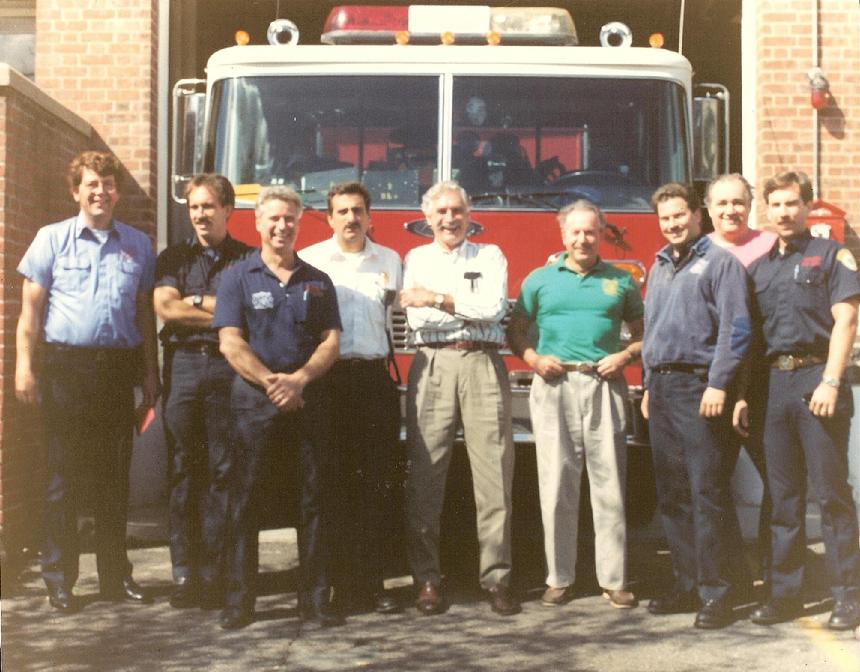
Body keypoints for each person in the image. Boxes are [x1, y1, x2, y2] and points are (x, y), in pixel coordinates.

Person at [15, 150, 158, 613]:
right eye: (91, 184)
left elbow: (143, 316)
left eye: (108, 184)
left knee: (114, 480)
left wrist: (151, 378)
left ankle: (116, 576)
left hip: (117, 371)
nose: (100, 192)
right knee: (63, 480)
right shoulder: (51, 240)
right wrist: (24, 367)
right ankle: (60, 578)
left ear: (117, 191)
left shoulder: (138, 245)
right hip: (65, 371)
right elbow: (29, 315)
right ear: (76, 191)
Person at [213, 185, 343, 630]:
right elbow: (230, 340)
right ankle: (239, 600)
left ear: (300, 222)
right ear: (257, 222)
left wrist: (300, 380)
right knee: (244, 500)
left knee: (314, 500)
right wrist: (271, 383)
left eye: (289, 218)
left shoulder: (317, 280)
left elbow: (331, 340)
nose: (281, 226)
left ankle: (315, 599)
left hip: (308, 402)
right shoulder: (236, 276)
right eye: (273, 218)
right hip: (254, 405)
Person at [507, 200, 643, 609]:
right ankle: (559, 577)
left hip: (604, 384)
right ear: (562, 235)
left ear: (601, 234)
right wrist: (533, 359)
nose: (583, 239)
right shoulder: (540, 280)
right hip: (555, 385)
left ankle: (614, 579)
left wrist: (623, 357)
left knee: (610, 485)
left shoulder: (621, 282)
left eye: (591, 232)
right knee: (556, 484)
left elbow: (643, 333)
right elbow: (516, 330)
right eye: (576, 232)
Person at [744, 171, 860, 630]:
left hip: (818, 379)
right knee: (784, 498)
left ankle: (846, 596)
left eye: (792, 203)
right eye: (776, 204)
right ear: (766, 211)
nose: (784, 212)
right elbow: (750, 340)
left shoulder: (832, 255)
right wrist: (742, 396)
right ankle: (785, 594)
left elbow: (846, 319)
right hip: (774, 386)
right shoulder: (759, 268)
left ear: (807, 206)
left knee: (831, 495)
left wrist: (832, 381)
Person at [400, 180, 519, 617]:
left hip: (483, 363)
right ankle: (428, 578)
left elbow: (492, 309)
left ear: (470, 216)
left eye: (457, 211)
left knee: (494, 476)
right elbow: (415, 316)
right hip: (432, 363)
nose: (450, 219)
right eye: (441, 212)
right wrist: (456, 303)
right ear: (427, 217)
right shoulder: (415, 258)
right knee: (426, 474)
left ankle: (497, 578)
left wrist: (436, 297)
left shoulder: (490, 255)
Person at [641, 182, 752, 629]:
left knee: (706, 493)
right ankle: (687, 584)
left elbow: (737, 328)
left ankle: (717, 593)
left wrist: (719, 383)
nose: (672, 224)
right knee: (673, 496)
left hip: (700, 389)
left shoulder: (721, 264)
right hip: (663, 391)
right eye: (665, 218)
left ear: (697, 216)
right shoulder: (660, 266)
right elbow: (653, 332)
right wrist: (649, 385)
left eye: (679, 215)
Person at [301, 182, 403, 615]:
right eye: (341, 211)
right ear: (329, 218)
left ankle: (372, 583)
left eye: (358, 210)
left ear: (370, 215)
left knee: (376, 485)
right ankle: (332, 585)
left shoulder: (391, 261)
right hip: (331, 383)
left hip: (375, 380)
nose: (350, 219)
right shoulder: (310, 261)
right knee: (332, 485)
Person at [154, 174, 252, 610]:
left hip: (228, 368)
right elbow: (165, 308)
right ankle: (184, 572)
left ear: (228, 209)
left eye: (208, 206)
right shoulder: (173, 256)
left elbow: (245, 311)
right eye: (194, 207)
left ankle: (217, 571)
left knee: (223, 469)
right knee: (182, 468)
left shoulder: (247, 258)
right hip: (184, 369)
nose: (199, 214)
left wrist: (192, 302)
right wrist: (214, 304)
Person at [705, 173, 778, 593]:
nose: (731, 210)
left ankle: (774, 567)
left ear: (750, 205)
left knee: (779, 475)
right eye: (722, 203)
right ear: (708, 208)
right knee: (713, 480)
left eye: (739, 202)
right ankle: (733, 569)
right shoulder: (699, 253)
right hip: (716, 382)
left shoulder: (770, 248)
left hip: (766, 379)